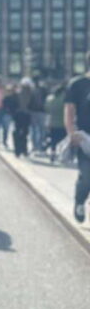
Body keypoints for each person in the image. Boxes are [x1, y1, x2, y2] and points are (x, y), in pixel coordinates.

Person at [64, 53, 90, 223]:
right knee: (88, 175)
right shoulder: (78, 84)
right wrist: (71, 132)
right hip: (85, 138)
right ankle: (80, 201)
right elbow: (69, 110)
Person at [13, 77, 34, 158]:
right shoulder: (17, 94)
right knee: (20, 133)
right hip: (20, 115)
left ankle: (22, 150)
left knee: (23, 133)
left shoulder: (31, 94)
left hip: (25, 115)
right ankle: (19, 150)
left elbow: (32, 105)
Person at [46, 81, 67, 163]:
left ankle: (52, 153)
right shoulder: (65, 100)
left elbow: (46, 109)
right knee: (63, 140)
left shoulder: (50, 99)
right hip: (63, 123)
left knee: (53, 140)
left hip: (52, 123)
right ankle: (62, 155)